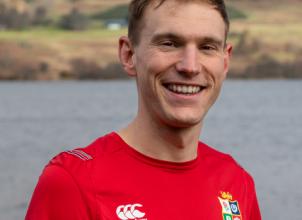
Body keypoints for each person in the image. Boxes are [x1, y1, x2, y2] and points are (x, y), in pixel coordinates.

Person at [26, 0, 261, 219]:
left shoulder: (237, 182)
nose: (190, 67)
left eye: (207, 47)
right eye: (169, 44)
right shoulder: (72, 181)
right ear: (129, 55)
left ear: (225, 62)